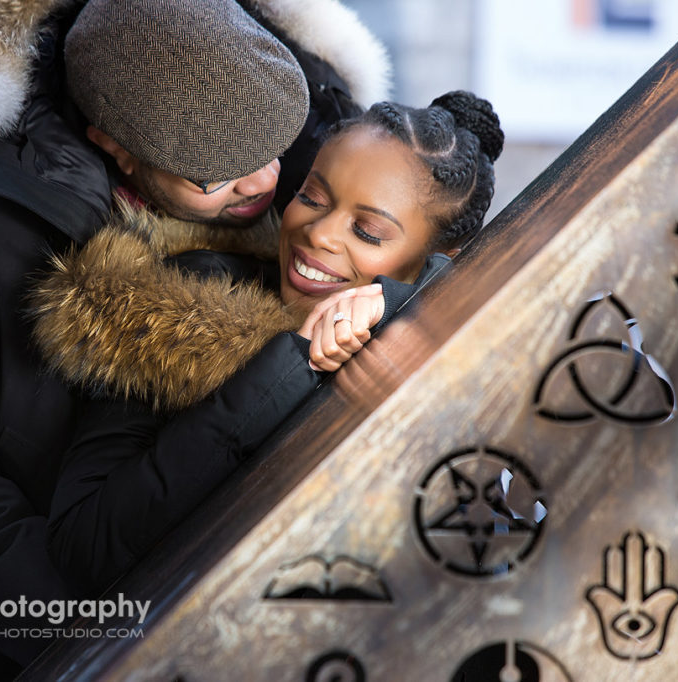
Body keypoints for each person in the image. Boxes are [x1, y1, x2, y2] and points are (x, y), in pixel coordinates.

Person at [0, 0, 389, 679]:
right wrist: (96, 650)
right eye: (215, 173)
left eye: (272, 150)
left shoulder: (314, 148)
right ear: (111, 144)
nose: (265, 181)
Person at [29, 91, 505, 596]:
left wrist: (399, 304)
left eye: (367, 231)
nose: (318, 233)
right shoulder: (184, 303)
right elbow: (82, 547)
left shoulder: (453, 367)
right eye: (313, 198)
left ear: (437, 258)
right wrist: (290, 366)